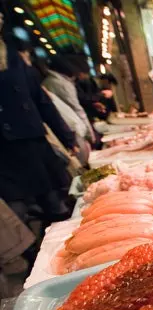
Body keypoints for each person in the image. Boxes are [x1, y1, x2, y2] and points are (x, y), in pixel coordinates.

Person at [0, 12, 75, 224]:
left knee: (54, 201)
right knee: (17, 212)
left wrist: (66, 137)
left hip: (31, 142)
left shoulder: (14, 59)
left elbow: (41, 101)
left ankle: (55, 240)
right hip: (5, 153)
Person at [43, 57, 96, 149]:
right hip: (72, 130)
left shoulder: (48, 81)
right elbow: (76, 108)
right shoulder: (62, 84)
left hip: (64, 130)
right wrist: (90, 134)